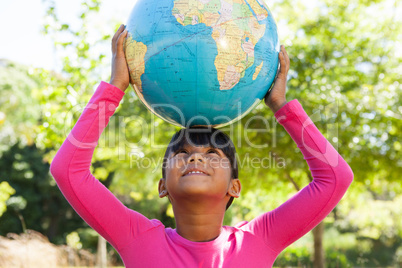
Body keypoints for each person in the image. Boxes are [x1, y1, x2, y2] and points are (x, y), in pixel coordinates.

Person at [50, 24, 354, 267]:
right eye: (181, 153)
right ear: (162, 186)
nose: (196, 158)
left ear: (235, 187)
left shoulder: (259, 239)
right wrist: (114, 89)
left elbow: (336, 178)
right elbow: (68, 171)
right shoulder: (137, 238)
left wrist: (280, 105)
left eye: (212, 153)